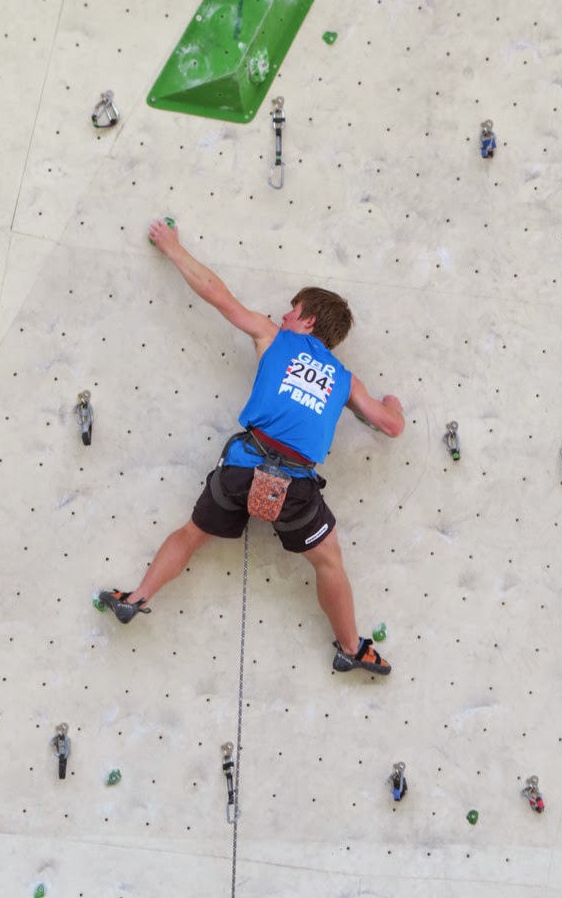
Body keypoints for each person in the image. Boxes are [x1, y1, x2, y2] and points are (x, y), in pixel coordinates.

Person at [98, 219, 405, 674]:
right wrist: (392, 403)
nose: (282, 315)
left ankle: (137, 596)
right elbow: (391, 426)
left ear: (308, 321)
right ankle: (350, 648)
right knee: (329, 564)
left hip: (242, 468)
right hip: (295, 488)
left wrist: (172, 247)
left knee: (191, 534)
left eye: (291, 310)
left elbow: (217, 295)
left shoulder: (274, 338)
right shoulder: (345, 380)